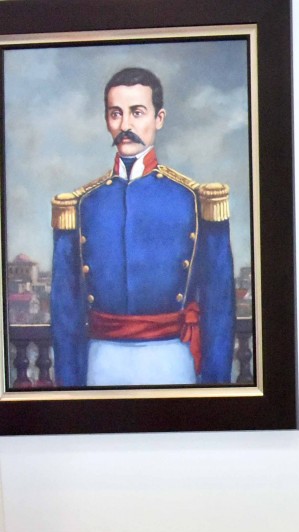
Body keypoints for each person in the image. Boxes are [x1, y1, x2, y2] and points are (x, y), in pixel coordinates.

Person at [50, 67, 235, 387]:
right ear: (106, 120)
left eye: (137, 113)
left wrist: (216, 388)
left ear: (159, 118)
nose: (125, 126)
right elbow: (66, 312)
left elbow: (219, 304)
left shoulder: (195, 199)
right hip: (100, 363)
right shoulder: (81, 205)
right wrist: (69, 390)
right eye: (115, 114)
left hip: (173, 361)